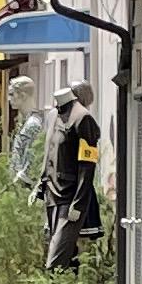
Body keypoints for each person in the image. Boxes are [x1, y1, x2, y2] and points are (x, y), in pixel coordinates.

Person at [42, 83, 103, 273]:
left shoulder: (83, 118)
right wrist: (41, 184)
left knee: (56, 259)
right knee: (65, 255)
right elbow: (49, 154)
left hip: (70, 198)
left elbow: (88, 165)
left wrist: (79, 203)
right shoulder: (54, 115)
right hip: (52, 195)